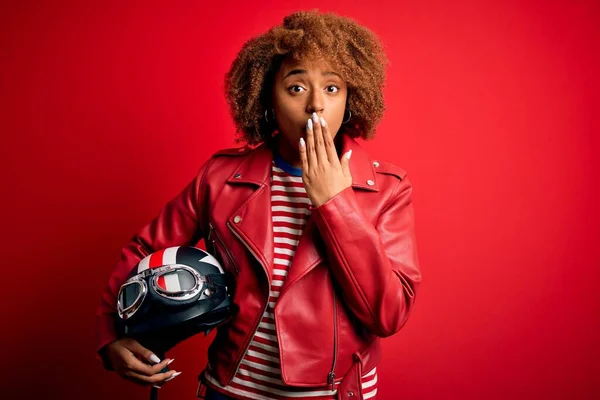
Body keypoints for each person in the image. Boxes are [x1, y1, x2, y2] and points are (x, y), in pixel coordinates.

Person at [96, 10, 421, 400]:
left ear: (352, 98)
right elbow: (144, 250)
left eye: (332, 88)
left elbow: (387, 314)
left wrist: (335, 204)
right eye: (296, 87)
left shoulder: (386, 189)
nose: (316, 105)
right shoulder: (221, 178)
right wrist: (113, 335)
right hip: (231, 391)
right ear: (267, 97)